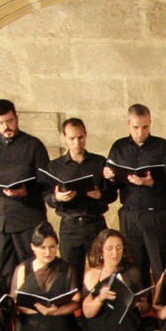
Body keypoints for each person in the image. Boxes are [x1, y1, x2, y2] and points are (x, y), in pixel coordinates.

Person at [0, 98, 49, 288]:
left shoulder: (33, 145)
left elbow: (45, 182)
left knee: (30, 267)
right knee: (3, 270)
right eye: (1, 123)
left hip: (26, 216)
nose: (6, 127)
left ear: (17, 117)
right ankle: (8, 311)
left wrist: (25, 191)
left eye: (10, 121)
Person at [102, 104, 166, 281]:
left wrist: (152, 182)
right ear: (129, 124)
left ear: (150, 123)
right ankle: (140, 306)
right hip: (130, 215)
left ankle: (161, 305)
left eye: (145, 127)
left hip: (156, 213)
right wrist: (110, 177)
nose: (140, 132)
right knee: (133, 267)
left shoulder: (163, 146)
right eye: (136, 127)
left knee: (161, 266)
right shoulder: (118, 147)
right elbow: (111, 188)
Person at [42, 116, 112, 290]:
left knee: (101, 270)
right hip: (70, 225)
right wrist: (57, 198)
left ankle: (99, 310)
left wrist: (100, 194)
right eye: (72, 138)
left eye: (80, 137)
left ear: (86, 135)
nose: (77, 142)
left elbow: (112, 194)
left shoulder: (99, 162)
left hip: (95, 222)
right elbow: (47, 195)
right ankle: (75, 312)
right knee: (71, 274)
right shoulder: (55, 166)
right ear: (64, 138)